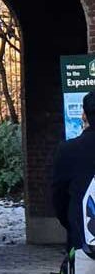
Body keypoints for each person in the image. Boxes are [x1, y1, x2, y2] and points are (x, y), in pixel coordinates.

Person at [52, 91, 95, 273]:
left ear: (84, 115)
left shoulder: (69, 150)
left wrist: (72, 225)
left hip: (84, 240)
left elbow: (59, 198)